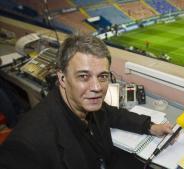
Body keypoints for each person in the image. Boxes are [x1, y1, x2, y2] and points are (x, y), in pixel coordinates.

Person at [0, 34, 173, 169]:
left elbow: (112, 113)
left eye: (103, 76)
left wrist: (150, 126)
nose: (97, 87)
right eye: (84, 76)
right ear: (62, 78)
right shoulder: (26, 144)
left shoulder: (88, 103)